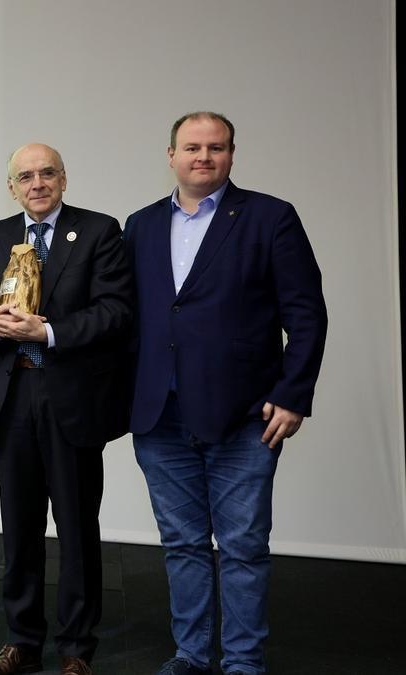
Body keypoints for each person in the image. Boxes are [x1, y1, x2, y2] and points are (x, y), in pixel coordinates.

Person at [125, 112, 327, 675]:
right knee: (183, 546)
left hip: (246, 416)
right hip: (160, 416)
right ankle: (191, 655)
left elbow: (306, 313)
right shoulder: (139, 225)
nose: (203, 157)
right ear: (171, 155)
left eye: (216, 148)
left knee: (242, 548)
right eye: (192, 147)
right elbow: (133, 319)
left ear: (232, 155)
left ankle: (241, 662)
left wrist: (293, 395)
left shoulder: (270, 218)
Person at [0, 144, 134, 675]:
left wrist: (49, 331)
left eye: (46, 174)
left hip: (71, 397)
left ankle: (77, 648)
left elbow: (116, 312)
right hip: (12, 394)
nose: (36, 183)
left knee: (78, 526)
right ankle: (22, 642)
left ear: (63, 178)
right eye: (25, 177)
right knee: (18, 526)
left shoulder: (100, 231)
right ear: (11, 186)